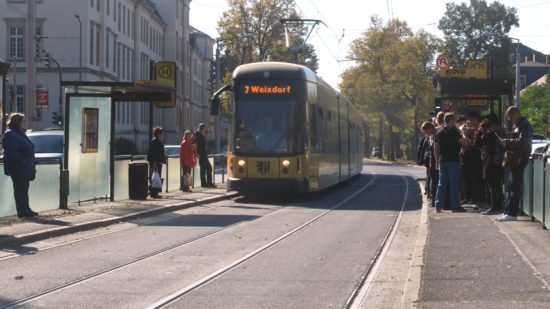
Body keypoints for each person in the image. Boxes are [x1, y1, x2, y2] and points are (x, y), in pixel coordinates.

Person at [496, 107, 533, 222]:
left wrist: (507, 141)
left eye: (511, 117)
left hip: (520, 157)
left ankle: (512, 213)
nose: (511, 120)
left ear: (516, 114)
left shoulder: (524, 125)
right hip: (516, 157)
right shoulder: (520, 125)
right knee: (511, 184)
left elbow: (524, 141)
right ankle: (508, 211)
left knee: (514, 185)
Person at [2, 113, 38, 218]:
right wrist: (22, 160)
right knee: (20, 189)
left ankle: (26, 209)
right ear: (17, 122)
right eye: (22, 121)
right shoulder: (10, 134)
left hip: (25, 167)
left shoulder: (19, 133)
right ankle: (23, 211)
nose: (23, 123)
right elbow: (12, 150)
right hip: (19, 168)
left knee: (24, 189)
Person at [434, 112, 469, 213]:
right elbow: (464, 142)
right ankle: (455, 206)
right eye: (454, 120)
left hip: (442, 160)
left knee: (442, 184)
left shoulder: (439, 132)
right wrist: (463, 133)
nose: (455, 121)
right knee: (454, 183)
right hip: (453, 160)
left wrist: (436, 161)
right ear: (450, 120)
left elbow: (435, 148)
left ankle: (438, 205)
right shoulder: (454, 132)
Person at [475, 119, 504, 215]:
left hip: (491, 163)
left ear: (484, 128)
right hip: (498, 163)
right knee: (497, 186)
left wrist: (478, 133)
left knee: (492, 186)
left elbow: (476, 144)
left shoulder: (488, 136)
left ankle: (494, 207)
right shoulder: (496, 134)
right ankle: (499, 206)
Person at [194, 123, 215, 188]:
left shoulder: (199, 134)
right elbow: (195, 144)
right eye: (205, 128)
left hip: (202, 153)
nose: (206, 130)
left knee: (203, 169)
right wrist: (196, 153)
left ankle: (204, 183)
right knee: (209, 167)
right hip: (201, 154)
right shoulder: (197, 134)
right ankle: (208, 183)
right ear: (202, 128)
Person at [147, 127, 166, 198]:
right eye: (161, 133)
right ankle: (154, 192)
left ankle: (155, 192)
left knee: (156, 177)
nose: (161, 135)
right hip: (156, 162)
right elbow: (155, 153)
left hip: (156, 162)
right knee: (155, 177)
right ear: (158, 134)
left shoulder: (155, 141)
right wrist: (156, 161)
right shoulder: (155, 142)